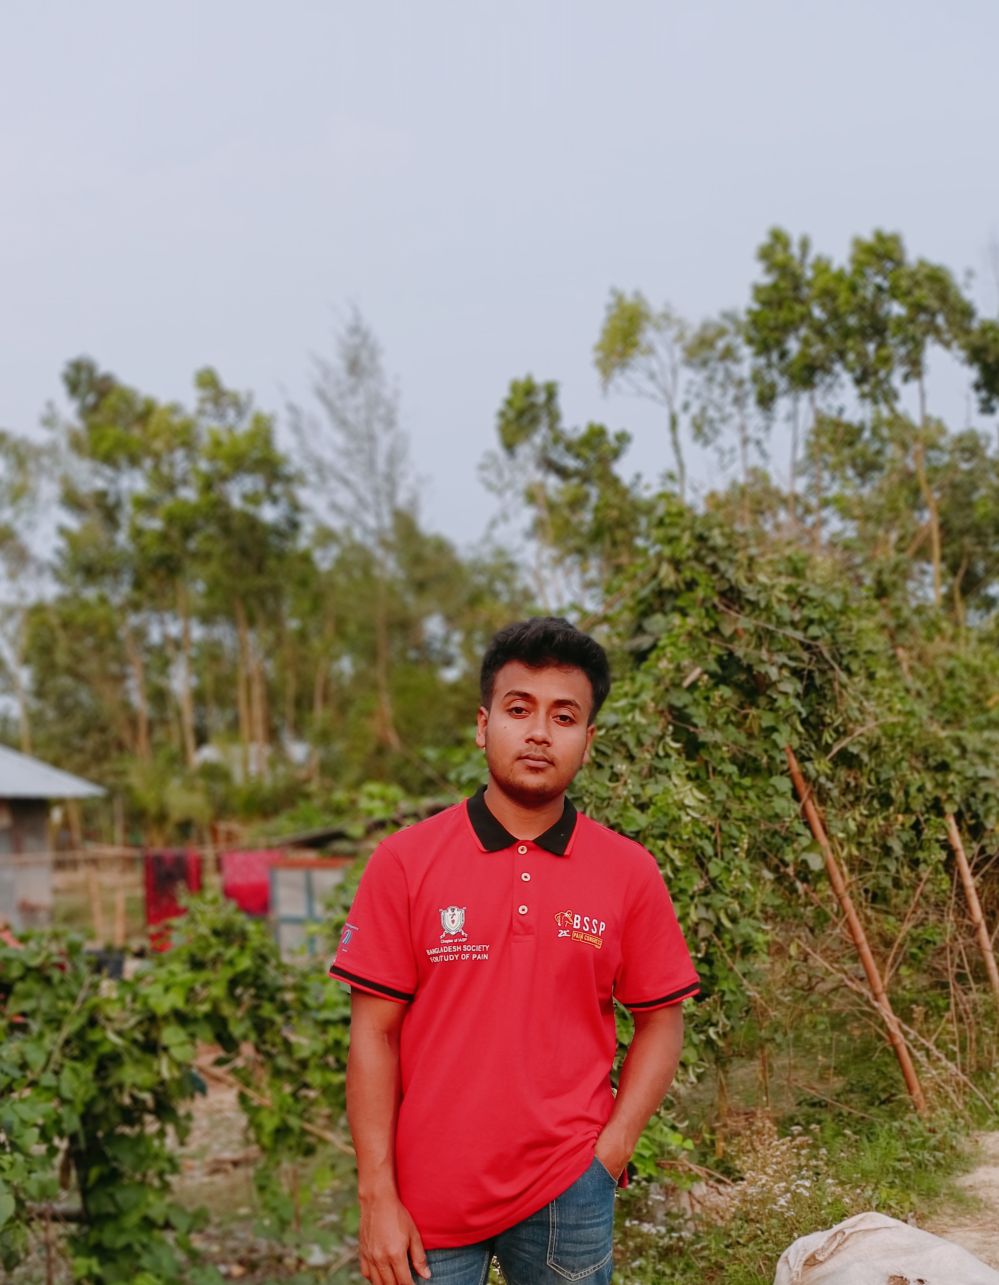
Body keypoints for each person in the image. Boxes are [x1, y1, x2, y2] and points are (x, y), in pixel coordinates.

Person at [329, 617, 699, 1285]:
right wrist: (376, 1195)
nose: (539, 732)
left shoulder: (627, 871)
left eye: (564, 716)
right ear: (483, 724)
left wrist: (610, 1152)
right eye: (519, 709)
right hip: (424, 1199)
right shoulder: (405, 862)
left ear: (587, 741)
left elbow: (660, 1020)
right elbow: (373, 1035)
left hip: (568, 1190)